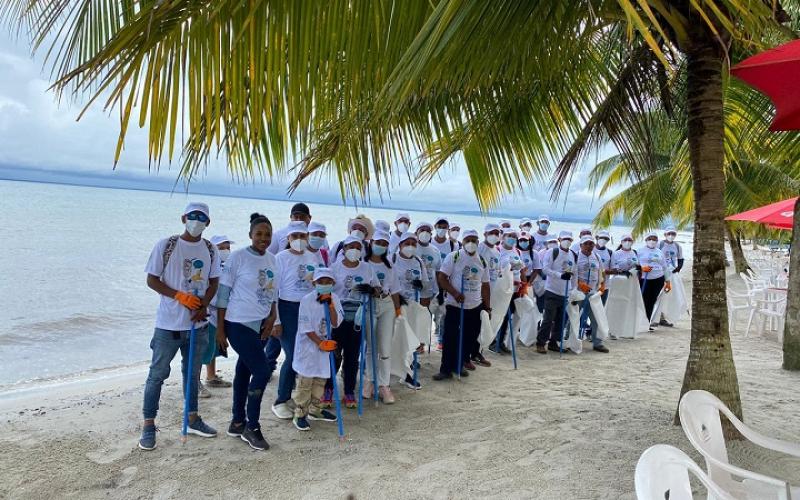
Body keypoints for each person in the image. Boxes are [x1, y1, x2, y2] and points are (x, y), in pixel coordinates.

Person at [139, 202, 220, 451]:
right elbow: (152, 280)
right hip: (168, 325)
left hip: (198, 326)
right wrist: (179, 296)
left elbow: (214, 281)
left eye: (202, 218)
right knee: (157, 374)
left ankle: (193, 418)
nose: (197, 221)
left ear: (208, 222)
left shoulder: (210, 248)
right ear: (184, 217)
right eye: (193, 216)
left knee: (192, 375)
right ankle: (149, 424)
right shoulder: (167, 245)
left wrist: (203, 305)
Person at [215, 213, 278, 450]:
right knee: (262, 371)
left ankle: (237, 421)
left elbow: (274, 293)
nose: (263, 238)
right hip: (237, 323)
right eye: (259, 234)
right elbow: (223, 295)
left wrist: (273, 317)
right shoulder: (238, 258)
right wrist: (220, 329)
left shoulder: (273, 259)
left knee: (244, 370)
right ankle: (252, 426)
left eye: (267, 234)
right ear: (250, 235)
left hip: (261, 324)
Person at [267, 222, 324, 420]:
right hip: (286, 308)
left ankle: (302, 399)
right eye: (295, 236)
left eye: (302, 235)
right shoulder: (280, 258)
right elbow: (273, 291)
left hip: (307, 310)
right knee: (293, 355)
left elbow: (317, 284)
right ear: (288, 239)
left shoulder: (313, 257)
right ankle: (281, 400)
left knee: (307, 355)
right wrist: (276, 320)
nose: (299, 240)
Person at [323, 237, 378, 409]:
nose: (354, 249)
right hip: (336, 318)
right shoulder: (334, 268)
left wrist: (371, 290)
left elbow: (377, 289)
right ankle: (329, 389)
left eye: (357, 247)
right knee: (334, 355)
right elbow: (325, 291)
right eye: (350, 246)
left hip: (357, 319)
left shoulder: (367, 268)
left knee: (353, 357)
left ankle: (348, 391)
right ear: (344, 248)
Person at [434, 230, 491, 380]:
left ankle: (459, 365)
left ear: (478, 243)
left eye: (474, 240)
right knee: (450, 337)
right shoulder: (454, 256)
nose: (471, 243)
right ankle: (445, 369)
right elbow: (442, 277)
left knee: (469, 338)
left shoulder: (482, 261)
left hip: (475, 305)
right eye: (468, 240)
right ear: (463, 242)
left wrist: (487, 306)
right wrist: (455, 293)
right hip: (455, 305)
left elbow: (485, 285)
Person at [291, 268, 343, 431]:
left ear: (333, 283)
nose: (325, 284)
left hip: (324, 346)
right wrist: (319, 342)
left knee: (320, 379)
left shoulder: (334, 298)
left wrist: (331, 305)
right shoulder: (306, 300)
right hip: (308, 345)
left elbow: (336, 323)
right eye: (321, 282)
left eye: (328, 282)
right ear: (314, 283)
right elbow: (305, 326)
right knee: (305, 381)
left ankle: (316, 409)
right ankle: (300, 413)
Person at [363, 231, 402, 403]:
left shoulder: (389, 265)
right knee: (371, 346)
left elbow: (394, 290)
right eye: (378, 242)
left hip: (386, 305)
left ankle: (384, 384)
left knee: (385, 347)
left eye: (385, 244)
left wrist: (398, 310)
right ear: (371, 242)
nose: (381, 246)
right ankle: (370, 380)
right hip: (369, 305)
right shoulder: (363, 263)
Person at [200, 235, 235, 398]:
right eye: (221, 248)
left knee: (213, 347)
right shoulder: (208, 265)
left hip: (222, 311)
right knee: (203, 348)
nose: (225, 250)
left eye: (227, 247)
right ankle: (194, 383)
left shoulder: (229, 265)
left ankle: (211, 376)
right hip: (208, 310)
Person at [535, 231, 578, 354]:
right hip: (552, 290)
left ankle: (554, 342)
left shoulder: (573, 255)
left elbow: (574, 274)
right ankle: (541, 343)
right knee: (548, 318)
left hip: (565, 292)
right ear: (559, 239)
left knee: (561, 320)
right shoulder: (552, 252)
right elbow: (545, 269)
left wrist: (573, 290)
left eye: (570, 239)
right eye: (565, 239)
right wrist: (559, 275)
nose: (567, 241)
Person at [489, 228, 526, 355]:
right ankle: (493, 342)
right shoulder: (498, 250)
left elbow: (522, 271)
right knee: (500, 315)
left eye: (514, 236)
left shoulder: (518, 251)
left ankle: (501, 342)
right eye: (509, 236)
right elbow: (495, 269)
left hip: (515, 289)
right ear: (503, 237)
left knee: (509, 317)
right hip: (502, 289)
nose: (512, 238)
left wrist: (524, 285)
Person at [575, 235, 609, 353]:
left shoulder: (597, 256)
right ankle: (570, 340)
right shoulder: (576, 256)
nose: (589, 246)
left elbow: (602, 271)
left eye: (591, 244)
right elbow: (572, 274)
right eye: (586, 244)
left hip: (593, 293)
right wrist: (579, 283)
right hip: (578, 292)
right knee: (574, 317)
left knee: (596, 317)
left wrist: (602, 284)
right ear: (581, 245)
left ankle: (597, 342)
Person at [638, 232, 672, 331]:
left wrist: (668, 282)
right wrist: (642, 268)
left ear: (657, 241)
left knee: (652, 302)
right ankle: (639, 322)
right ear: (646, 240)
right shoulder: (640, 251)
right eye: (650, 239)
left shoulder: (659, 252)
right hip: (644, 279)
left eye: (654, 239)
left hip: (658, 279)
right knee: (643, 300)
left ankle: (647, 322)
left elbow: (665, 268)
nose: (652, 241)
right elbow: (634, 265)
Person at [657, 227, 684, 327]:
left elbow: (680, 259)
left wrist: (679, 268)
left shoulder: (677, 246)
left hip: (672, 274)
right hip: (660, 273)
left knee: (669, 296)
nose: (671, 236)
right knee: (659, 295)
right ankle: (655, 317)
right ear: (665, 234)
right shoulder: (660, 244)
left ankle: (663, 317)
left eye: (673, 234)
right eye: (669, 233)